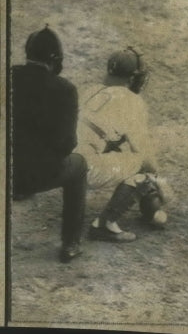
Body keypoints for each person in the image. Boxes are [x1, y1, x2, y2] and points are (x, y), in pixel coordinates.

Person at [11, 25, 88, 263]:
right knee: (79, 165)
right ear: (55, 58)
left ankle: (20, 189)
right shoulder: (65, 89)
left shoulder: (8, 75)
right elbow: (68, 144)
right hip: (37, 174)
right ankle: (70, 243)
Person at [78, 47, 167, 243]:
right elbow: (144, 155)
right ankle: (105, 225)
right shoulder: (132, 101)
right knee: (141, 167)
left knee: (107, 145)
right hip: (87, 169)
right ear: (133, 77)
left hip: (65, 166)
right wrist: (158, 182)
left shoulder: (91, 91)